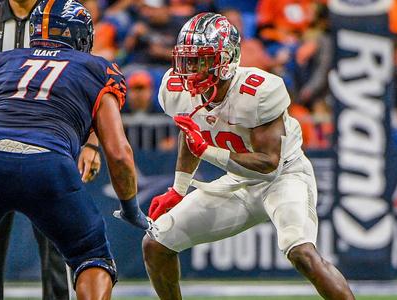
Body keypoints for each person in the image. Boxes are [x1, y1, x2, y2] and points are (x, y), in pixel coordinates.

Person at [0, 1, 151, 299]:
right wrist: (130, 208)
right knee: (91, 256)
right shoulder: (97, 69)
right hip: (48, 163)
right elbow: (119, 153)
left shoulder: (4, 61)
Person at [142, 13, 355, 300]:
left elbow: (268, 164)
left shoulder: (259, 91)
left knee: (301, 252)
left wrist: (206, 151)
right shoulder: (176, 89)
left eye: (201, 60)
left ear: (226, 61)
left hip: (284, 176)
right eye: (188, 60)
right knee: (155, 243)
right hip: (237, 181)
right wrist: (179, 188)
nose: (190, 69)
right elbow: (190, 130)